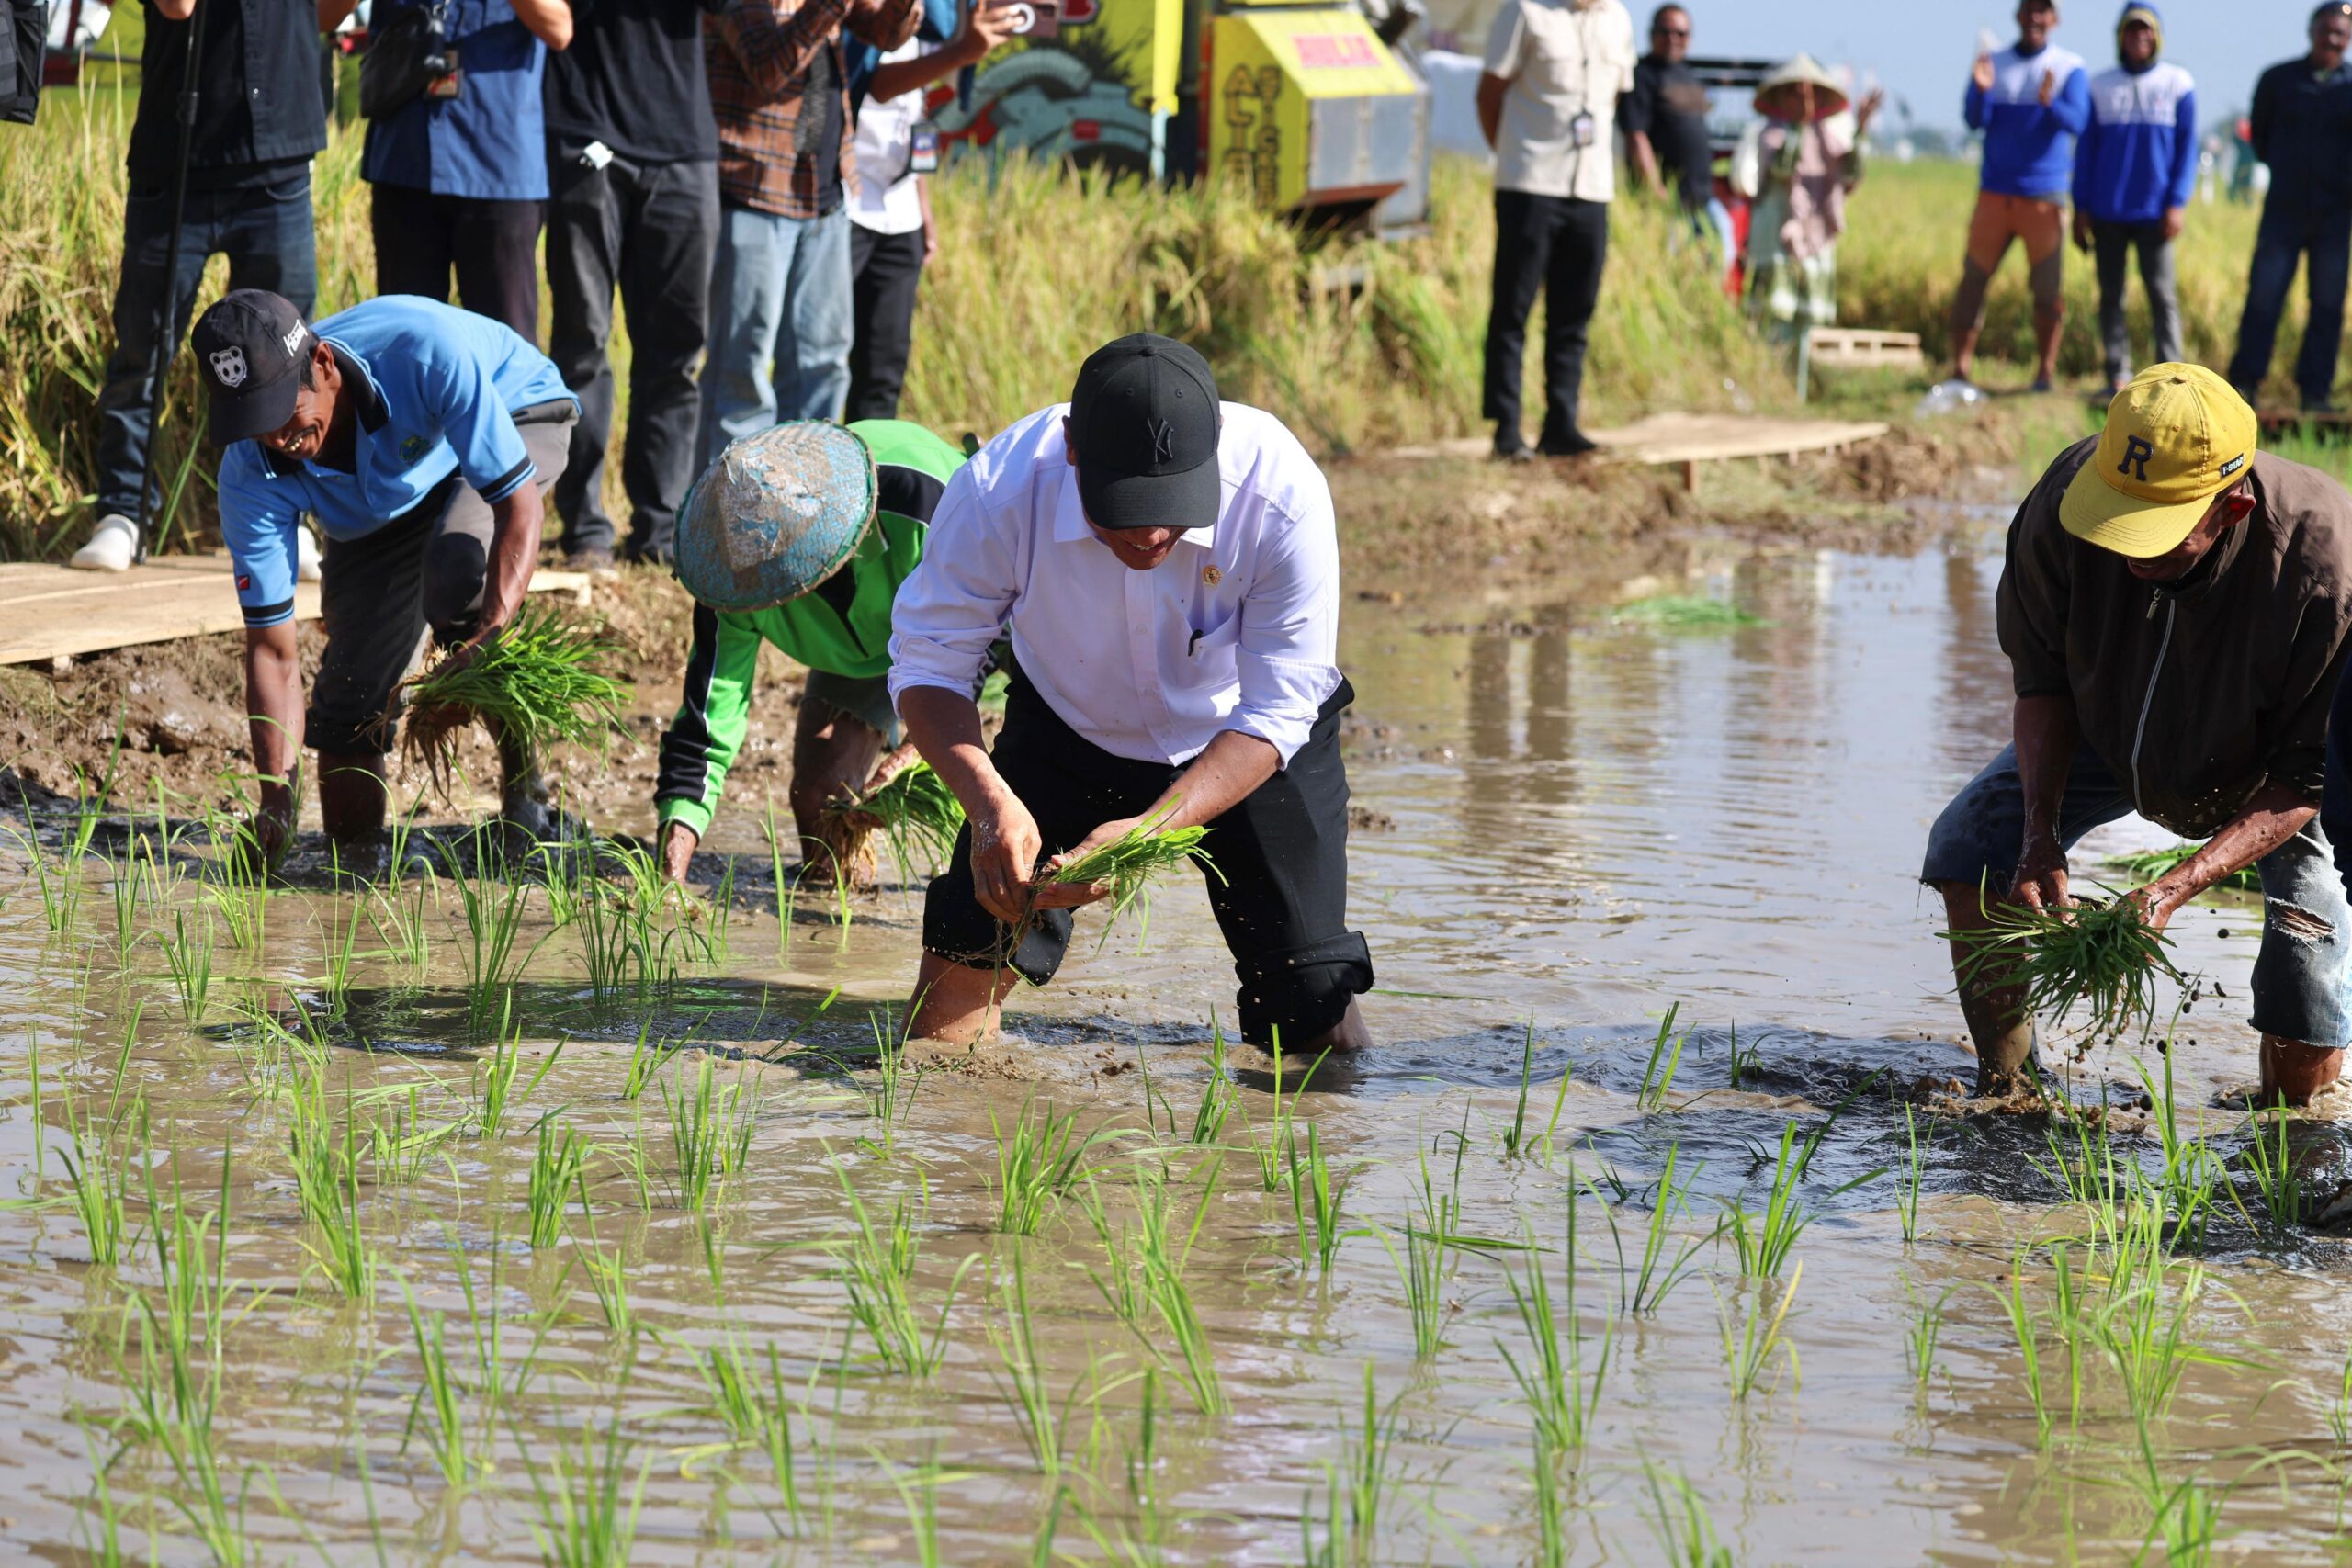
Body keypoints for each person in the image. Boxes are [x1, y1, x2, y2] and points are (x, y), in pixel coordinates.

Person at [886, 334, 1377, 1053]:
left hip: (1243, 740)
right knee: (956, 978)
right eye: (1123, 507)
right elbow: (929, 666)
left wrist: (1152, 828)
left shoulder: (1279, 490)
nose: (1150, 532)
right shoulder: (1000, 489)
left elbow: (1279, 708)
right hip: (1067, 729)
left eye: (1172, 506)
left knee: (1311, 1000)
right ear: (1072, 448)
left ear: (1215, 449)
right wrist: (988, 801)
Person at [1926, 364, 2352, 1106]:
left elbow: (2311, 774)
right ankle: (2013, 1091)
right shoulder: (2064, 505)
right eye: (2116, 512)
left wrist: (2174, 888)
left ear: (2231, 507)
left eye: (2155, 528)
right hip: (2108, 722)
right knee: (1970, 843)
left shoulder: (2326, 568)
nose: (2126, 546)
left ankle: (2291, 1143)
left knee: (2305, 963)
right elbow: (2043, 680)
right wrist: (2038, 831)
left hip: (2272, 765)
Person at [191, 289, 580, 867]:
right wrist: (276, 799)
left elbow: (516, 509)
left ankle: (527, 795)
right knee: (348, 706)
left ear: (322, 365)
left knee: (457, 577)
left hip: (516, 411)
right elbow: (273, 653)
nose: (279, 439)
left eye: (284, 412)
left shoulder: (424, 353)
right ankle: (360, 856)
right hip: (395, 494)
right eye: (256, 423)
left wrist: (488, 636)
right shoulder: (250, 473)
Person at [69, 0, 328, 574]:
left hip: (277, 154)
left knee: (289, 353)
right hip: (176, 151)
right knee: (143, 346)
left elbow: (334, 11)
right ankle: (122, 512)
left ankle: (290, 515)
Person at [654, 418, 967, 886]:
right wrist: (669, 874)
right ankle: (846, 919)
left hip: (982, 624)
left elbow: (988, 631)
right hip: (865, 651)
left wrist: (917, 746)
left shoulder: (925, 501)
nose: (777, 594)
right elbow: (706, 724)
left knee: (1025, 778)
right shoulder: (733, 576)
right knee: (822, 800)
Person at [541, 0, 725, 569]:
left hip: (684, 146)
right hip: (585, 133)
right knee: (582, 341)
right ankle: (584, 527)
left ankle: (660, 529)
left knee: (676, 352)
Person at [701, 0, 922, 462]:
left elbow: (887, 34)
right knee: (741, 371)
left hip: (825, 196)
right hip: (752, 192)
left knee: (822, 365)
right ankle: (731, 518)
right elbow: (767, 67)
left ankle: (806, 513)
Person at [336, 0, 572, 344]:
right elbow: (323, 16)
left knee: (506, 345)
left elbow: (559, 29)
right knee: (405, 342)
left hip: (497, 168)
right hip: (405, 161)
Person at [1476, 0, 1636, 462]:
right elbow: (1489, 94)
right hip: (1530, 184)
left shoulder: (1617, 18)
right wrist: (1512, 155)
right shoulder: (1525, 12)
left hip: (1591, 189)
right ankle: (1507, 429)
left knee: (1574, 312)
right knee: (1513, 309)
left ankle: (1560, 423)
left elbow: (1615, 97)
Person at [843, 0, 1016, 421]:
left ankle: (871, 477)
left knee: (885, 369)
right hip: (845, 204)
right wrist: (961, 53)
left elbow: (914, 114)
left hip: (900, 212)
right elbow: (874, 83)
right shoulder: (864, 12)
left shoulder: (936, 15)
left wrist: (924, 208)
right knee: (825, 362)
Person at [1947, 0, 2090, 393]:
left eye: (2043, 11)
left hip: (2043, 194)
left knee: (2046, 290)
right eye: (2029, 10)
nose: (2035, 18)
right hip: (1995, 193)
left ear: (2054, 19)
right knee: (1973, 280)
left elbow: (2078, 121)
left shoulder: (2068, 68)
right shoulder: (1993, 62)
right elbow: (1975, 119)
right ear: (2018, 16)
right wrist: (1980, 92)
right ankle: (1960, 368)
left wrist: (2050, 103)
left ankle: (2044, 372)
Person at [2226, 2, 2352, 413]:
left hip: (2336, 214)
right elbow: (2260, 138)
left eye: (2341, 33)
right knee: (2264, 298)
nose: (2333, 39)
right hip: (2284, 209)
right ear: (2312, 30)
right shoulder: (2278, 80)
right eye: (2327, 30)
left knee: (2328, 305)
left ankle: (2315, 393)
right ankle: (2243, 387)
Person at [2072, 5, 2195, 395]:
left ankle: (2172, 376)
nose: (2139, 37)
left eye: (2146, 31)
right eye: (2131, 30)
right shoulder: (2100, 85)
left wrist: (2176, 202)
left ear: (2157, 36)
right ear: (2120, 36)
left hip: (2155, 212)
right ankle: (2117, 373)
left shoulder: (2177, 83)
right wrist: (2081, 206)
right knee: (2112, 295)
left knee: (2162, 294)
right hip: (2108, 209)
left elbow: (2186, 150)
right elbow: (2086, 151)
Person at [1733, 55, 1877, 347]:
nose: (1804, 100)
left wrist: (1861, 129)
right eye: (1795, 93)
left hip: (1816, 236)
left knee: (1805, 320)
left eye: (1810, 93)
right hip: (1775, 234)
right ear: (1780, 97)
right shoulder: (1769, 134)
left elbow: (1849, 173)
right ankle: (1769, 379)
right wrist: (1798, 127)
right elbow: (1782, 168)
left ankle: (1796, 386)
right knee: (1772, 313)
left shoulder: (1828, 138)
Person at [1622, 5, 1731, 278]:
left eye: (1681, 33)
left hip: (1703, 197)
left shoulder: (1688, 74)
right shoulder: (1643, 75)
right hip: (1667, 201)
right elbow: (1636, 134)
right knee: (1666, 269)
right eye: (1665, 31)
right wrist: (1653, 185)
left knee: (1719, 263)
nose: (1673, 38)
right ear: (1651, 34)